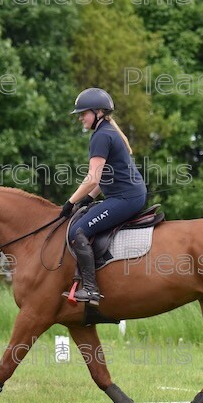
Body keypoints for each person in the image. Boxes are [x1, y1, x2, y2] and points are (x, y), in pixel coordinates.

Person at [59, 87, 147, 306]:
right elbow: (102, 178)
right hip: (125, 196)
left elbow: (92, 177)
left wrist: (70, 202)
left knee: (78, 231)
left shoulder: (101, 136)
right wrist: (88, 199)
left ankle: (90, 290)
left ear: (98, 112)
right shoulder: (108, 132)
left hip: (125, 198)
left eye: (84, 113)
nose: (80, 117)